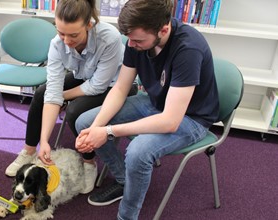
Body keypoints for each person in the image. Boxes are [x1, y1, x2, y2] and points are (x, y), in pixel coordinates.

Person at [74, 0, 219, 219]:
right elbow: (121, 88)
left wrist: (108, 132)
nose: (130, 45)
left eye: (137, 40)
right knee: (84, 122)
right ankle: (125, 180)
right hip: (154, 103)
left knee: (138, 152)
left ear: (164, 29)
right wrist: (95, 128)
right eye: (129, 38)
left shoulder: (188, 48)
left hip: (191, 118)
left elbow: (170, 121)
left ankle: (127, 216)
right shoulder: (136, 40)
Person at [5, 0, 136, 194]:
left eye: (74, 35)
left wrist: (62, 96)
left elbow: (97, 86)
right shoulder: (56, 44)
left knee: (75, 110)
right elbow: (52, 92)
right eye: (61, 33)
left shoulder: (109, 37)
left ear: (89, 25)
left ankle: (89, 162)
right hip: (85, 76)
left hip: (115, 85)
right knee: (42, 92)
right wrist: (45, 141)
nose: (66, 40)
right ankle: (30, 150)